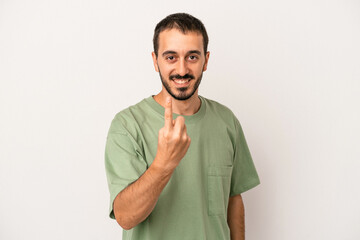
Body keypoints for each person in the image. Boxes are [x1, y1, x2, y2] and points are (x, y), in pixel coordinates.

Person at [105, 13, 260, 240]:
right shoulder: (127, 126)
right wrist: (163, 164)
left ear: (206, 60)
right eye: (170, 57)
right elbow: (126, 217)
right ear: (155, 60)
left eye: (192, 57)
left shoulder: (227, 122)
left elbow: (233, 199)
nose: (182, 69)